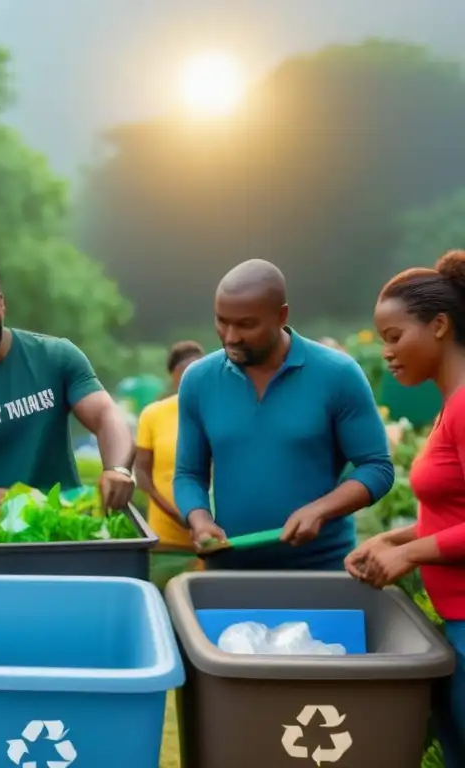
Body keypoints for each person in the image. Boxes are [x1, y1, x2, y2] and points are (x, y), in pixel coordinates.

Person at [174, 259, 394, 570]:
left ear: (282, 315)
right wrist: (199, 519)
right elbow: (188, 474)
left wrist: (321, 510)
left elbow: (376, 467)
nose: (231, 336)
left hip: (321, 568)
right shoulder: (199, 380)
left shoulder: (338, 374)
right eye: (222, 321)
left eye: (247, 324)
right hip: (230, 571)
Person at [345, 250, 465, 764]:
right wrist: (393, 539)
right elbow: (453, 513)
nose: (387, 353)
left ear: (439, 326)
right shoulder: (449, 406)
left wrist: (411, 556)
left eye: (395, 337)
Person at [0, 254, 135, 513]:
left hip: (66, 518)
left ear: (1, 304)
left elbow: (105, 414)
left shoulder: (56, 357)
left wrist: (117, 469)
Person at [134, 341, 205, 554]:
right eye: (185, 372)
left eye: (199, 371)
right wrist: (178, 516)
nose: (192, 379)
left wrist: (201, 518)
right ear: (173, 376)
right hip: (165, 539)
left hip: (212, 538)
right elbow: (142, 474)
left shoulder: (219, 412)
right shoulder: (153, 414)